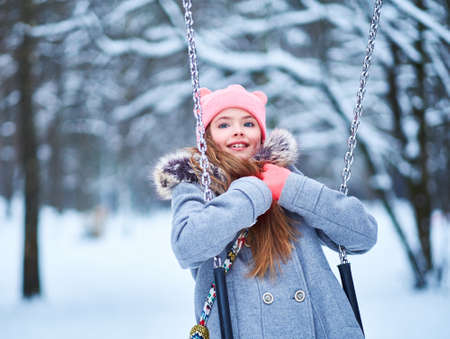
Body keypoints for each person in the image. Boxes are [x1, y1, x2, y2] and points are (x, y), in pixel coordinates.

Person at [153, 84, 378, 339]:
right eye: (224, 124)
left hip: (321, 328)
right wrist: (253, 192)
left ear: (261, 133)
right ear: (206, 136)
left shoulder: (286, 177)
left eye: (248, 123)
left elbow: (364, 235)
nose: (238, 130)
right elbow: (187, 246)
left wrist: (292, 188)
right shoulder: (195, 184)